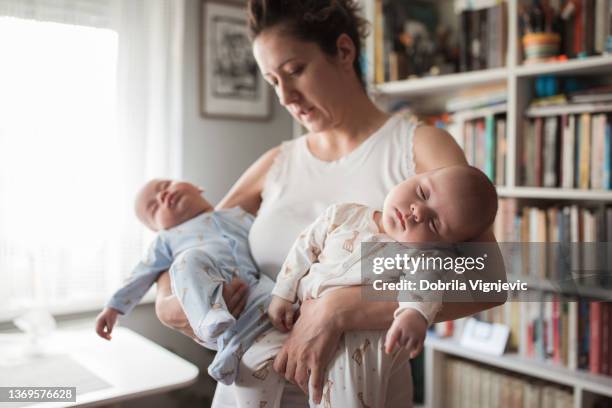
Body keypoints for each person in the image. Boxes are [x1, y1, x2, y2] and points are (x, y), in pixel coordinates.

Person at [154, 1, 507, 406]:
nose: (285, 96)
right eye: (272, 81)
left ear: (343, 51)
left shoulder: (419, 148)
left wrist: (340, 308)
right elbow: (190, 237)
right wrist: (168, 304)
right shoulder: (276, 163)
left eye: (295, 71)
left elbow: (488, 280)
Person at [231, 165, 498, 407]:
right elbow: (304, 249)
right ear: (413, 175)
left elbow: (423, 289)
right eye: (422, 193)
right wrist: (283, 292)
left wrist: (413, 315)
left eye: (434, 223)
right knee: (250, 365)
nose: (417, 211)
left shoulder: (423, 257)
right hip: (294, 318)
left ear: (443, 245)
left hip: (358, 344)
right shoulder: (343, 214)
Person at [95, 179, 273, 385]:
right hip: (212, 292)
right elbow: (141, 273)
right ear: (157, 228)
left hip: (252, 288)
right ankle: (209, 316)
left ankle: (228, 357)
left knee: (274, 294)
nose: (162, 196)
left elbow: (267, 239)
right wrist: (113, 308)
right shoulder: (167, 240)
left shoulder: (237, 216)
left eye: (164, 186)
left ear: (197, 186)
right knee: (188, 260)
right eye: (153, 208)